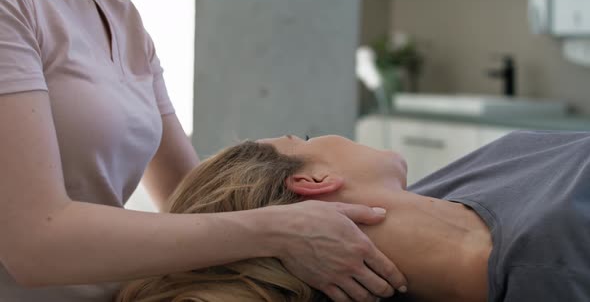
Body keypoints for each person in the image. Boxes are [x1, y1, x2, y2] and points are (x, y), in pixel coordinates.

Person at [0, 0, 407, 301]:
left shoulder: (117, 10)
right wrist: (281, 230)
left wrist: (304, 226)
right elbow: (35, 244)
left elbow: (192, 199)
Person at [117, 132, 590, 302]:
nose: (323, 131)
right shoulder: (557, 259)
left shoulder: (446, 192)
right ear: (314, 182)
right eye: (302, 137)